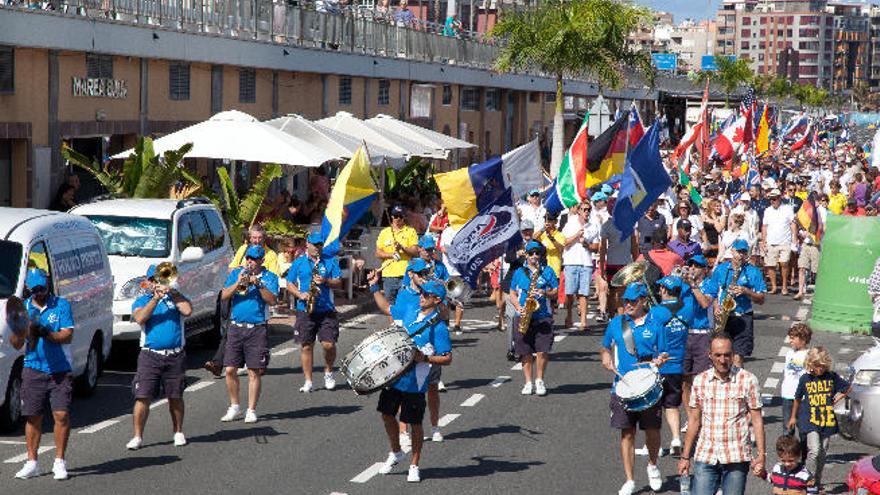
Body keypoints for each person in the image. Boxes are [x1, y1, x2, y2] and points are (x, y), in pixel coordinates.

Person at [374, 280, 452, 483]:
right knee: (386, 414)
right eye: (422, 293)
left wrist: (424, 358)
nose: (422, 296)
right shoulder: (410, 309)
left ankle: (414, 465)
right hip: (395, 373)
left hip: (415, 382)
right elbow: (386, 308)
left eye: (426, 294)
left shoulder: (439, 327)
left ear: (436, 300)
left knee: (415, 423)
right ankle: (396, 452)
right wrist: (374, 287)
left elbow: (447, 358)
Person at [600, 282, 668, 495]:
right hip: (623, 386)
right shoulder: (617, 323)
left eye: (633, 301)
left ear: (643, 302)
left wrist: (660, 360)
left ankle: (652, 464)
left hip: (648, 381)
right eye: (626, 301)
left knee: (653, 431)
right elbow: (605, 345)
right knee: (627, 433)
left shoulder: (655, 325)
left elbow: (664, 353)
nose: (628, 304)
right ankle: (629, 480)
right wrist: (606, 356)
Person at [678, 333, 766, 495]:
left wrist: (761, 455)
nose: (722, 359)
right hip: (706, 454)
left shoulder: (748, 380)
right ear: (710, 355)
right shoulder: (700, 380)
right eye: (717, 355)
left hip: (736, 456)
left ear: (733, 355)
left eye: (727, 355)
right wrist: (685, 457)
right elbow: (694, 420)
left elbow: (757, 420)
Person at [9, 269, 74, 480]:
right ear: (29, 289)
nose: (40, 294)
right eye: (35, 290)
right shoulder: (24, 309)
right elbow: (16, 343)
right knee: (33, 416)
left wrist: (46, 332)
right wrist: (24, 331)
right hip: (33, 367)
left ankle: (60, 461)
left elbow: (67, 336)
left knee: (61, 415)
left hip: (59, 368)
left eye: (43, 289)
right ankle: (32, 462)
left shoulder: (61, 305)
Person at [126, 264, 193, 450]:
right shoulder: (141, 301)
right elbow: (140, 318)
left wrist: (173, 293)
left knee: (175, 395)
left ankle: (178, 432)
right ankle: (138, 436)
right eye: (154, 280)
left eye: (161, 279)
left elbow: (187, 311)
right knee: (142, 396)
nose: (158, 283)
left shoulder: (176, 297)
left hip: (175, 355)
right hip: (150, 355)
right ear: (148, 283)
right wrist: (155, 298)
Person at [219, 245, 279, 424]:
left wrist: (258, 283)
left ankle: (251, 409)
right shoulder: (237, 273)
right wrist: (238, 282)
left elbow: (273, 300)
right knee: (229, 369)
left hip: (257, 328)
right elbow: (223, 296)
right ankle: (234, 406)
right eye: (248, 258)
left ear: (261, 260)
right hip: (236, 327)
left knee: (254, 371)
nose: (250, 262)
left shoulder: (270, 277)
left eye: (253, 259)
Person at [787, 346, 851, 493]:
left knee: (822, 454)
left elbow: (847, 388)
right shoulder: (805, 379)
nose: (820, 369)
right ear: (811, 364)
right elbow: (797, 398)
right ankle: (807, 482)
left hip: (826, 419)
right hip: (810, 419)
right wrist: (792, 417)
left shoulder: (832, 377)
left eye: (822, 366)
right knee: (814, 450)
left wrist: (836, 398)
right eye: (817, 366)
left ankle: (816, 481)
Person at [287, 232, 342, 393]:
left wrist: (326, 281)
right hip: (305, 309)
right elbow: (289, 282)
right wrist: (299, 294)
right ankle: (308, 380)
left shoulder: (330, 261)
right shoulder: (299, 262)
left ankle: (329, 372)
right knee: (306, 346)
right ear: (307, 245)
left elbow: (338, 281)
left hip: (326, 309)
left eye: (320, 244)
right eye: (314, 244)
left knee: (329, 344)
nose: (317, 247)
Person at [510, 241, 558, 396]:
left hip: (543, 315)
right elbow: (512, 293)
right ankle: (528, 382)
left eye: (537, 253)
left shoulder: (548, 271)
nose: (534, 256)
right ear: (526, 255)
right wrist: (518, 307)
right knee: (525, 351)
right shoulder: (519, 272)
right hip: (524, 315)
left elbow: (555, 291)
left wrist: (545, 293)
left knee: (543, 350)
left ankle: (539, 380)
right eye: (531, 253)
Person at [654, 275, 693, 457]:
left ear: (664, 290)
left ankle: (653, 443)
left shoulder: (656, 311)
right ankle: (676, 438)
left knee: (653, 408)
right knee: (672, 405)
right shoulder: (687, 309)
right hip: (678, 364)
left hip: (659, 365)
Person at [713, 238, 767, 368]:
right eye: (739, 252)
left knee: (737, 358)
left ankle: (738, 384)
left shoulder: (753, 271)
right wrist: (716, 307)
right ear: (732, 251)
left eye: (744, 252)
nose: (741, 255)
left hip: (743, 316)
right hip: (724, 317)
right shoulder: (720, 269)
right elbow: (713, 293)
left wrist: (746, 291)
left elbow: (761, 299)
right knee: (721, 357)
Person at [679, 254, 718, 429]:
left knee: (700, 380)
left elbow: (704, 303)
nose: (692, 268)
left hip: (703, 334)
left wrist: (693, 286)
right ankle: (691, 417)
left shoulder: (710, 284)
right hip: (685, 333)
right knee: (684, 380)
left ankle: (701, 417)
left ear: (704, 269)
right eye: (691, 265)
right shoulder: (683, 285)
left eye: (696, 266)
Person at [561, 202, 599, 329]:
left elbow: (596, 247)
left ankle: (583, 321)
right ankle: (569, 316)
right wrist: (576, 236)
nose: (586, 212)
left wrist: (587, 244)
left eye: (589, 210)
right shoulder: (570, 223)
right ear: (579, 211)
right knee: (570, 293)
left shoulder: (593, 226)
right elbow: (564, 242)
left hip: (586, 263)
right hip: (571, 261)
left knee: (584, 293)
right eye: (584, 210)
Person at [376, 205, 419, 304]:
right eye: (396, 216)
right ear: (392, 217)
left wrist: (402, 248)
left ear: (404, 217)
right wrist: (391, 255)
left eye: (400, 216)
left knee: (405, 303)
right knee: (391, 306)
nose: (398, 219)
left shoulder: (410, 231)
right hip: (388, 274)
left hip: (406, 274)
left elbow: (415, 252)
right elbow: (378, 253)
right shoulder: (384, 232)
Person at [598, 217, 638, 320]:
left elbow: (634, 245)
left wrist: (636, 263)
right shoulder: (608, 224)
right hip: (616, 263)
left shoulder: (610, 224)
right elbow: (602, 248)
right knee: (616, 292)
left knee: (617, 292)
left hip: (621, 263)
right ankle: (616, 318)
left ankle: (617, 318)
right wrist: (602, 267)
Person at [761, 188, 797, 295]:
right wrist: (763, 241)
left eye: (774, 199)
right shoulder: (767, 210)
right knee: (770, 265)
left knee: (784, 263)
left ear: (779, 198)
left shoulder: (788, 209)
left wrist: (794, 237)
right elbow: (764, 226)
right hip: (771, 241)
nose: (772, 201)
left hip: (785, 241)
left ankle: (784, 286)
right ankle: (774, 286)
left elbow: (792, 224)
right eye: (771, 199)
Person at [781, 323, 811, 436]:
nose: (790, 341)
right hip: (787, 394)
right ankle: (789, 452)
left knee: (803, 428)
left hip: (802, 397)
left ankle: (804, 452)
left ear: (803, 339)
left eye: (793, 338)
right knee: (787, 428)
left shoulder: (809, 355)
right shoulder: (789, 353)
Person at [535, 213, 566, 278]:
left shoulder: (560, 235)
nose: (548, 222)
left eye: (550, 220)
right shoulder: (542, 234)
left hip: (554, 270)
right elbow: (533, 238)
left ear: (556, 221)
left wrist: (551, 237)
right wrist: (543, 229)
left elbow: (561, 248)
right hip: (543, 269)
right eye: (546, 220)